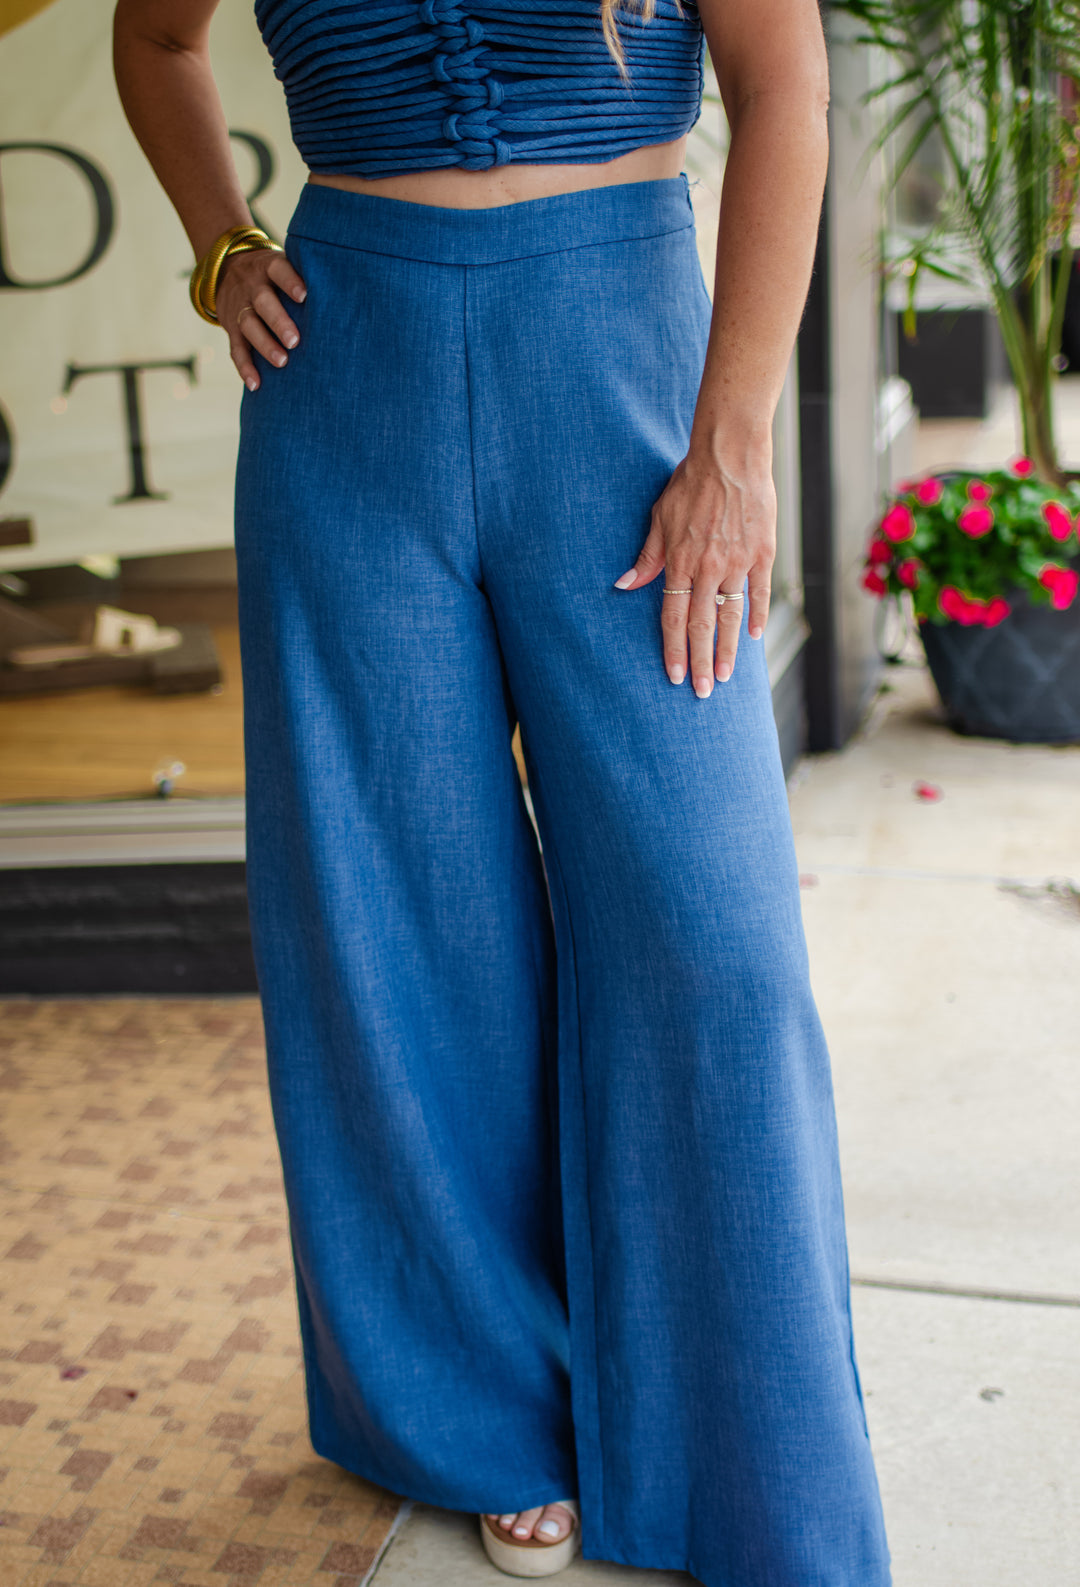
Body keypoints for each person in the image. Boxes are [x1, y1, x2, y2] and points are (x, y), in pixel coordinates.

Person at [113, 0, 893, 1581]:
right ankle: (490, 1417)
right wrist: (220, 248)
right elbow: (155, 39)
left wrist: (736, 443)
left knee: (713, 935)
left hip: (622, 362)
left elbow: (785, 87)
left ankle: (750, 1456)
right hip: (348, 382)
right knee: (405, 926)